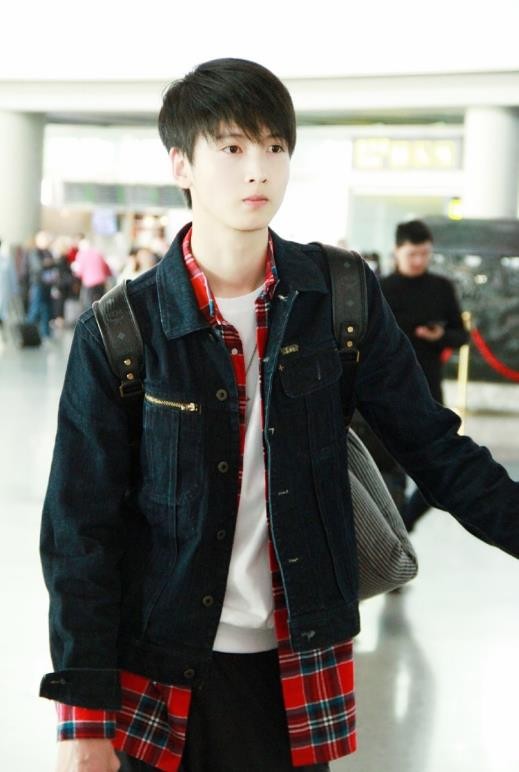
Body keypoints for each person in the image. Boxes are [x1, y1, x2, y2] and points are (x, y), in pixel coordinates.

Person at [39, 59, 519, 772]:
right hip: (161, 670)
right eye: (232, 148)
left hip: (297, 669)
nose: (257, 169)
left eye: (274, 147)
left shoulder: (340, 296)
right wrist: (82, 720)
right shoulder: (123, 330)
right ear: (181, 163)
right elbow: (79, 528)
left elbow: (435, 448)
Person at [380, 219, 470, 530]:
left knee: (439, 470)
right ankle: (391, 535)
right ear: (397, 251)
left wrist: (440, 336)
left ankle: (403, 523)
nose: (419, 261)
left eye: (425, 254)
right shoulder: (380, 288)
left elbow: (461, 335)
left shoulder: (441, 288)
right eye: (412, 254)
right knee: (388, 471)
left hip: (428, 389)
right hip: (386, 391)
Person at [25, 230, 57, 339]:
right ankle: (28, 334)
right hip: (37, 284)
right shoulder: (34, 252)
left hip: (47, 284)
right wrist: (48, 263)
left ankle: (46, 333)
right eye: (44, 239)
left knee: (47, 309)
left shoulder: (48, 252)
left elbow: (54, 264)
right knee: (35, 308)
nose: (46, 241)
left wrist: (47, 263)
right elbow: (37, 266)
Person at [72, 237, 112, 308]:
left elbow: (79, 272)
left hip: (89, 283)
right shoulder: (97, 252)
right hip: (101, 281)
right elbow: (106, 266)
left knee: (91, 304)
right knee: (102, 302)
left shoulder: (81, 255)